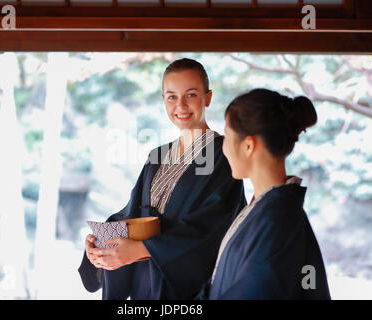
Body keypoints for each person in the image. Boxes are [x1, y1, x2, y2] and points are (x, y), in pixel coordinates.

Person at [78, 58, 246, 300]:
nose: (181, 105)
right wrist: (101, 245)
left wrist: (141, 249)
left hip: (186, 290)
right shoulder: (157, 156)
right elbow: (132, 214)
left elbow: (211, 229)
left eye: (190, 95)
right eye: (171, 97)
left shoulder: (223, 155)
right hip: (144, 284)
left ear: (207, 97)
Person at [197, 88, 331, 300]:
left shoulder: (278, 220)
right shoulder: (268, 209)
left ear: (249, 145)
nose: (223, 148)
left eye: (228, 137)